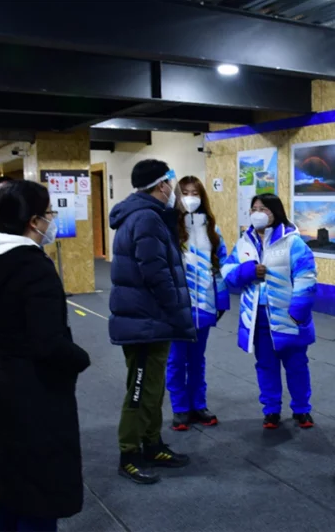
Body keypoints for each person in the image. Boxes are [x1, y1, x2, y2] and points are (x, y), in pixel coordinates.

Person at [0, 180, 91, 532]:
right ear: (33, 221)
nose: (51, 221)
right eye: (48, 214)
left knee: (13, 485)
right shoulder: (32, 267)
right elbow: (48, 343)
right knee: (39, 489)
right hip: (35, 392)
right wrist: (79, 358)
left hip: (0, 382)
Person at [109, 160, 195, 485]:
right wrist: (176, 308)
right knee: (141, 389)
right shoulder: (146, 218)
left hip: (149, 319)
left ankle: (152, 444)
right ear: (161, 186)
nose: (173, 190)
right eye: (171, 184)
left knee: (153, 388)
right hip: (145, 321)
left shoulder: (149, 216)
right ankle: (129, 454)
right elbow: (155, 272)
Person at [222, 194, 317, 429]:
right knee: (266, 366)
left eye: (263, 208)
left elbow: (307, 278)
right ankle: (271, 410)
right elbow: (227, 273)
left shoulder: (292, 242)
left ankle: (302, 409)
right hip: (258, 318)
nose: (257, 213)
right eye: (254, 208)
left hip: (289, 317)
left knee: (296, 365)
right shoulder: (244, 242)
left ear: (275, 211)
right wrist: (248, 272)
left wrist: (297, 314)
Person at [166, 175, 230, 431]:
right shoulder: (169, 228)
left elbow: (220, 267)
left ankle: (198, 405)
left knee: (197, 359)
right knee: (175, 359)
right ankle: (180, 408)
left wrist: (221, 301)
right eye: (185, 193)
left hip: (204, 305)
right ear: (177, 197)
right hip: (177, 306)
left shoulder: (212, 230)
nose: (190, 198)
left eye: (195, 193)